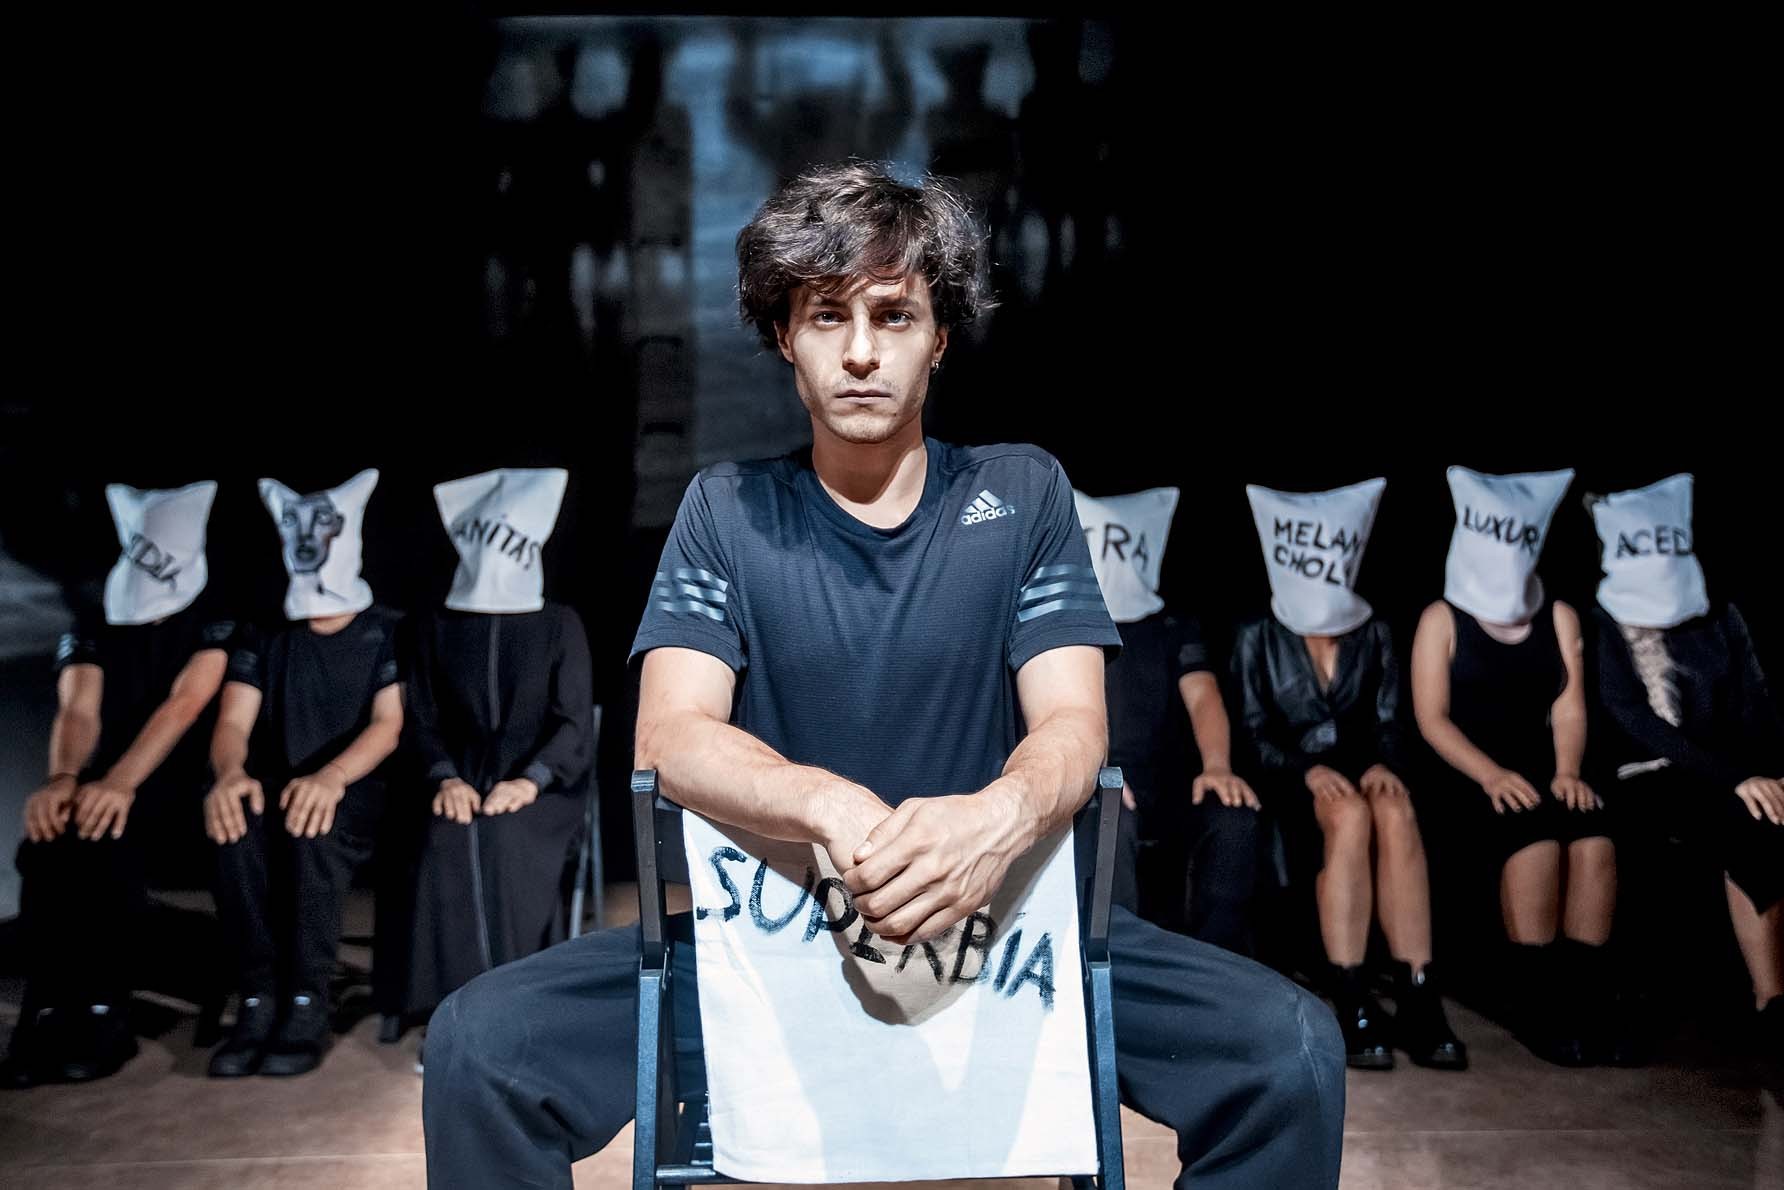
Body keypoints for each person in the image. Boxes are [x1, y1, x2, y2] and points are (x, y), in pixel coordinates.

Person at [421, 161, 1345, 1190]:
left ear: (938, 336)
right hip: (772, 938)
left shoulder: (1021, 492)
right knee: (479, 1047)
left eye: (893, 315)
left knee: (1289, 1051)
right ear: (785, 335)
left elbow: (1073, 724)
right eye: (827, 315)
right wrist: (829, 805)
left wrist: (991, 821)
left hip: (1004, 934)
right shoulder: (726, 508)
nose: (860, 350)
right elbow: (669, 734)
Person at [2, 481, 233, 1087]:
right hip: (104, 778)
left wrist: (122, 782)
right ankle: (51, 1008)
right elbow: (79, 708)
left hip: (178, 781)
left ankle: (105, 1010)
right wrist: (63, 779)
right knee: (49, 839)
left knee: (109, 834)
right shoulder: (96, 614)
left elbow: (185, 704)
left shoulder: (213, 616)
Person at [1234, 478, 1466, 1071]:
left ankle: (1418, 990)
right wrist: (1306, 771)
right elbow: (1253, 735)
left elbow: (1389, 720)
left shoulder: (1373, 630)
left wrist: (1386, 764)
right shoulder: (1258, 634)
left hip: (1363, 772)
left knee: (1394, 807)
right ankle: (1352, 992)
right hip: (1293, 781)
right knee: (1351, 813)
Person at [1411, 466, 1615, 1065]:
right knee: (1536, 839)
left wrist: (1568, 771)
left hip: (1542, 768)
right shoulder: (1441, 618)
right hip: (1465, 773)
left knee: (1593, 839)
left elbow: (1569, 707)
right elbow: (1432, 719)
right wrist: (1490, 775)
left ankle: (1587, 999)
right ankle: (1537, 997)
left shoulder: (1558, 615)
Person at [203, 469, 403, 1077]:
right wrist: (229, 774)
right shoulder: (265, 634)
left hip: (358, 789)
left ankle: (307, 998)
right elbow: (233, 720)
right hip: (279, 785)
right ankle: (258, 995)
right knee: (233, 825)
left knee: (313, 828)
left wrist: (333, 776)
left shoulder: (386, 630)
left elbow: (388, 723)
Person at [1586, 474, 1783, 1061]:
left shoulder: (1719, 615)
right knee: (1743, 822)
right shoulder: (1606, 619)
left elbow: (1755, 700)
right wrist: (1736, 780)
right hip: (1647, 772)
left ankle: (1772, 1004)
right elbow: (1631, 717)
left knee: (1768, 815)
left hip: (1731, 770)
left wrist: (1774, 774)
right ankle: (1768, 998)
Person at [402, 467, 594, 1030]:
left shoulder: (560, 624)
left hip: (546, 787)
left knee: (506, 840)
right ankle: (452, 1013)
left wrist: (531, 779)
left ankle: (515, 1004)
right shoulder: (438, 627)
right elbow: (422, 717)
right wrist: (445, 776)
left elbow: (574, 723)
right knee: (446, 838)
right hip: (461, 779)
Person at [1074, 485, 1262, 953]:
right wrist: (1091, 770)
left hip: (1166, 782)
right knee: (1108, 817)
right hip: (1095, 778)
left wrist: (1217, 765)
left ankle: (1215, 966)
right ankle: (1120, 966)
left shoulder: (1173, 626)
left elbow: (1203, 696)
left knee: (1233, 816)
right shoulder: (1068, 625)